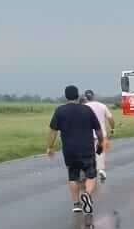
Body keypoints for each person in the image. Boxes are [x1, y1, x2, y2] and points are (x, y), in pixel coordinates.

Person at [46, 85, 106, 214]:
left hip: (69, 149)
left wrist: (50, 147)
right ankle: (87, 195)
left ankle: (76, 204)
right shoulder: (87, 110)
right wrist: (101, 142)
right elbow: (98, 129)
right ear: (78, 96)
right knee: (90, 175)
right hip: (86, 148)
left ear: (66, 96)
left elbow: (53, 131)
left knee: (73, 176)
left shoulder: (60, 111)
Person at [84, 89, 114, 181]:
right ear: (93, 96)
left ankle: (90, 170)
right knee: (100, 153)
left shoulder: (84, 107)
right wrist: (112, 128)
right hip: (101, 133)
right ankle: (101, 170)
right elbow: (110, 119)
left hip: (88, 134)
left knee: (89, 153)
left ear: (86, 97)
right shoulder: (102, 106)